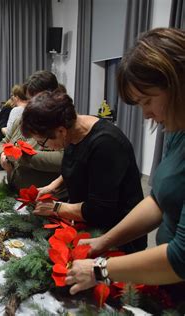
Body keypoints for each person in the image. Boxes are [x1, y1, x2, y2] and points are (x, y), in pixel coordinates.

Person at [66, 28, 185, 302]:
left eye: (148, 100)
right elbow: (158, 199)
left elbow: (181, 257)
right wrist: (106, 241)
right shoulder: (178, 129)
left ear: (178, 82)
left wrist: (101, 270)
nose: (146, 114)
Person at [21, 90, 147, 253]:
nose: (45, 147)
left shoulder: (105, 144)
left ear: (60, 131)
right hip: (90, 225)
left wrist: (56, 208)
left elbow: (98, 210)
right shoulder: (73, 133)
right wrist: (53, 185)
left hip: (116, 236)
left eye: (43, 142)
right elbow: (78, 165)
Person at [0, 70, 64, 192]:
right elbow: (3, 142)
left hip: (45, 199)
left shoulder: (62, 126)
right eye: (29, 100)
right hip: (15, 191)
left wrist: (21, 156)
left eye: (37, 99)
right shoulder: (21, 120)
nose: (32, 105)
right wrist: (2, 155)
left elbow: (64, 160)